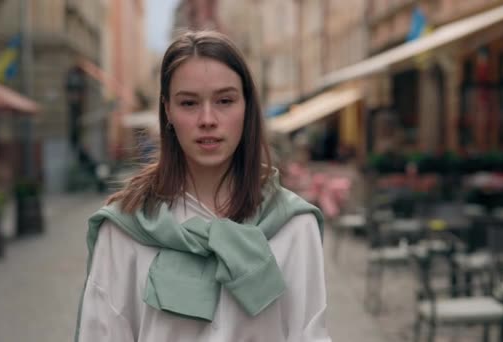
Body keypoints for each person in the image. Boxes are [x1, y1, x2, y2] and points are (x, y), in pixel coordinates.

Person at [75, 30, 331, 342]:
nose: (207, 119)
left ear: (247, 106)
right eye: (189, 103)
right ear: (167, 110)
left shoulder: (294, 226)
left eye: (225, 100)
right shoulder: (123, 228)